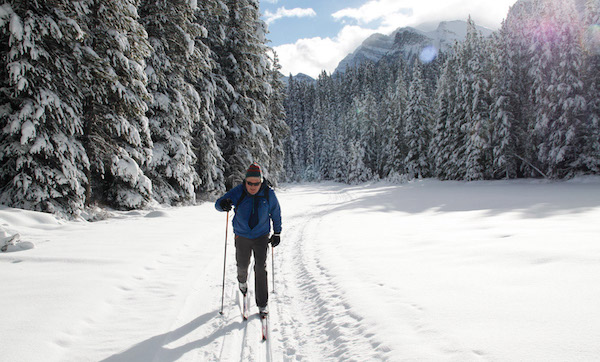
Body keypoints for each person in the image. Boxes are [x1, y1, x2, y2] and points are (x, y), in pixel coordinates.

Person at [215, 162, 282, 316]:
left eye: (256, 183)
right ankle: (242, 281)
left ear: (261, 181)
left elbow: (276, 213)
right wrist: (223, 205)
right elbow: (218, 204)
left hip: (261, 236)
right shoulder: (239, 192)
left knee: (260, 268)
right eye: (249, 183)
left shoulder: (268, 194)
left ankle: (262, 303)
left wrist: (277, 233)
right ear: (245, 182)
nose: (252, 186)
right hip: (242, 235)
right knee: (242, 264)